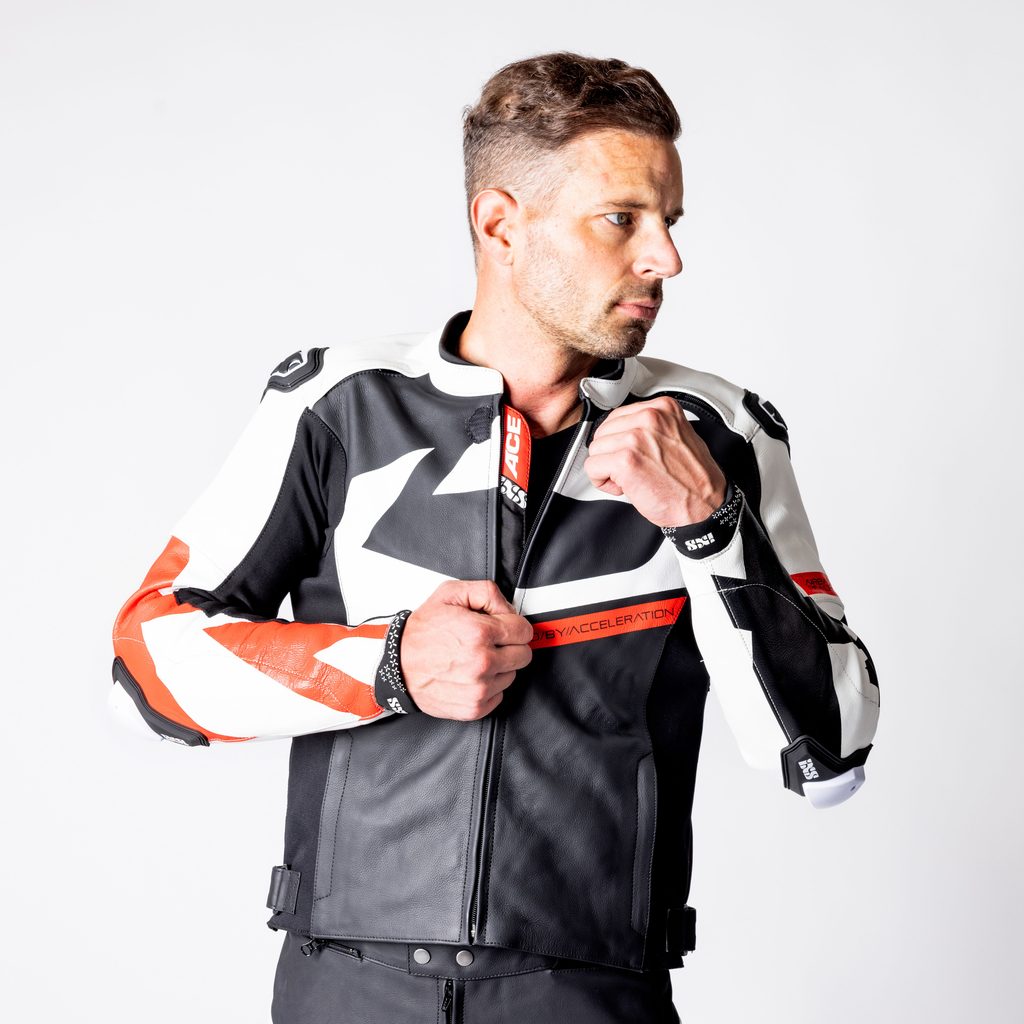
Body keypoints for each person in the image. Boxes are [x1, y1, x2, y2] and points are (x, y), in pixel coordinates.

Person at [110, 51, 880, 1024]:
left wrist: (710, 523)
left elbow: (828, 760)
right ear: (501, 223)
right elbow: (147, 668)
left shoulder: (717, 435)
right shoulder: (337, 408)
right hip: (344, 986)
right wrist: (389, 663)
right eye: (622, 219)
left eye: (670, 222)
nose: (665, 259)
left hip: (590, 993)